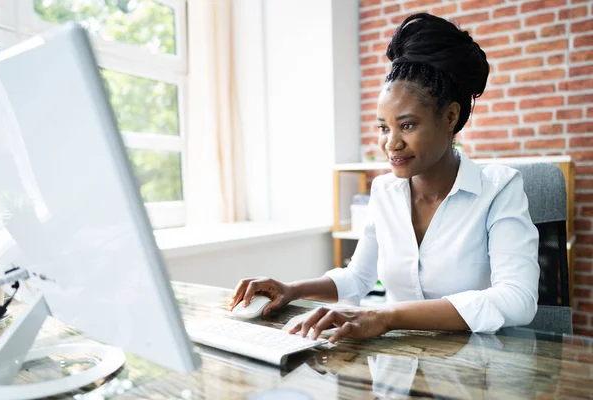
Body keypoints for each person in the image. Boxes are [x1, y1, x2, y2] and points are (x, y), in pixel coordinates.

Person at [230, 13, 540, 343]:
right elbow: (358, 276)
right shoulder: (384, 191)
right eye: (383, 127)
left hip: (479, 369)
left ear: (450, 116)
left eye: (407, 125)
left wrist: (386, 316)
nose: (391, 143)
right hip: (397, 369)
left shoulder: (500, 188)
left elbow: (517, 299)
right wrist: (292, 289)